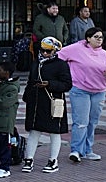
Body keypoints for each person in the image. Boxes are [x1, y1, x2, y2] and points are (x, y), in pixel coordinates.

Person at [59, 26, 106, 163]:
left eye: (101, 37)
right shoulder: (76, 48)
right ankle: (76, 150)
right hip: (80, 89)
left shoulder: (105, 54)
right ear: (88, 38)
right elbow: (59, 56)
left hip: (99, 91)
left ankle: (88, 150)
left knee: (92, 122)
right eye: (96, 37)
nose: (99, 40)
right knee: (81, 122)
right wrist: (66, 75)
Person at [22, 36, 72, 174]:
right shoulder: (36, 63)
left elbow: (67, 84)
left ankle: (53, 160)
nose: (44, 53)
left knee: (54, 131)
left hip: (52, 101)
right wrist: (27, 96)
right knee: (34, 130)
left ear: (54, 51)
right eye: (43, 50)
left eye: (48, 51)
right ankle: (29, 159)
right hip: (36, 101)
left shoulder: (61, 64)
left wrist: (50, 84)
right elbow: (30, 80)